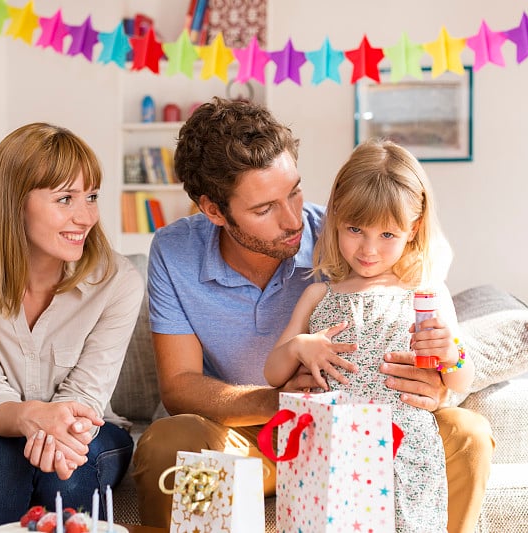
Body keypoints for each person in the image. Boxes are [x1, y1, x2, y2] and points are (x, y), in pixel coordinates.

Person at [132, 97, 494, 533]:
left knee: (468, 432)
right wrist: (288, 401)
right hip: (257, 435)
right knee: (172, 441)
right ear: (213, 210)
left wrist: (436, 390)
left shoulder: (347, 235)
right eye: (265, 208)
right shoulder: (175, 252)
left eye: (295, 191)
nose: (293, 219)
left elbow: (426, 272)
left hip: (367, 433)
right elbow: (179, 386)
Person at [0, 122, 143, 533]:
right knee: (3, 459)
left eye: (92, 197)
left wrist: (56, 429)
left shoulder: (119, 281)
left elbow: (86, 396)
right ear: (14, 203)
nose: (86, 217)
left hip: (88, 432)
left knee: (67, 471)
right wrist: (30, 418)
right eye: (66, 199)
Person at [264, 139, 475, 531]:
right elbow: (274, 373)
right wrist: (297, 346)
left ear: (413, 230)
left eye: (388, 235)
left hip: (403, 453)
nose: (368, 249)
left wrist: (452, 353)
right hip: (327, 446)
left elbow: (460, 380)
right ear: (335, 220)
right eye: (355, 229)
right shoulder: (318, 294)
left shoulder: (425, 295)